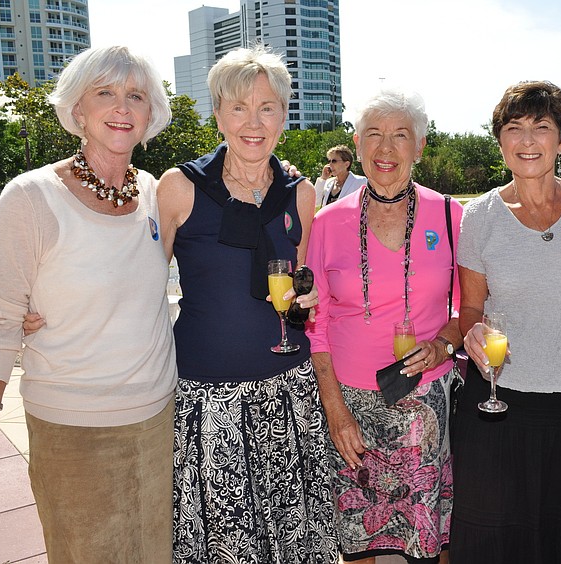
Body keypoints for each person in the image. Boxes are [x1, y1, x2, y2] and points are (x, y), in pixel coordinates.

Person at [0, 46, 176, 560]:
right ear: (77, 111)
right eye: (104, 92)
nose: (122, 107)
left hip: (158, 422)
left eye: (135, 96)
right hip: (73, 429)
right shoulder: (30, 197)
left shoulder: (156, 193)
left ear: (151, 115)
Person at [156, 45, 337, 563]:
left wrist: (308, 299)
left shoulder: (301, 193)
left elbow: (301, 288)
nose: (253, 122)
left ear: (284, 114)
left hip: (288, 397)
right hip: (207, 401)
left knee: (292, 542)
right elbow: (139, 284)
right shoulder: (180, 188)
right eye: (238, 107)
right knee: (226, 547)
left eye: (267, 108)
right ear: (218, 115)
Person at [451, 81, 561, 563]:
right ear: (499, 141)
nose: (527, 140)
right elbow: (471, 311)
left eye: (541, 127)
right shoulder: (479, 216)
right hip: (499, 405)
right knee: (498, 540)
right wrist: (472, 332)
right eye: (514, 128)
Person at [306, 87, 463, 564]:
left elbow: (468, 312)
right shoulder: (327, 222)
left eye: (401, 135)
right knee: (358, 538)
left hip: (425, 403)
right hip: (350, 402)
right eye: (374, 134)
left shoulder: (451, 214)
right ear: (356, 145)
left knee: (427, 538)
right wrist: (335, 411)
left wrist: (442, 346)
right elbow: (317, 325)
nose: (386, 148)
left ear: (420, 147)